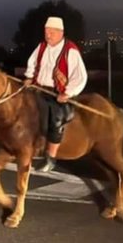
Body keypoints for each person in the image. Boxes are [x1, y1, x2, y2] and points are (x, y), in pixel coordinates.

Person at [24, 16, 87, 173]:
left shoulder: (70, 50)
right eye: (46, 31)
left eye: (51, 32)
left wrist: (68, 93)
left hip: (58, 93)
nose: (48, 35)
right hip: (40, 88)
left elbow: (80, 76)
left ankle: (50, 158)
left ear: (60, 32)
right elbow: (32, 62)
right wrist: (29, 77)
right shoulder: (42, 46)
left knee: (56, 120)